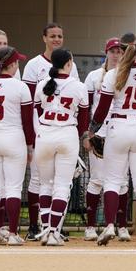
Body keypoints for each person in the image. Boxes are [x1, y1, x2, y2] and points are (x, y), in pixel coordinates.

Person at [91, 32, 136, 247]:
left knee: (113, 181)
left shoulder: (113, 74)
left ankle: (110, 225)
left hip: (119, 127)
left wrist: (92, 130)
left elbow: (103, 108)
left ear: (121, 51)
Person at [21, 22, 79, 240]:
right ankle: (37, 227)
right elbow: (29, 104)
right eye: (53, 36)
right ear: (44, 38)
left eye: (60, 36)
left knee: (50, 182)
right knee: (39, 180)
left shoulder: (70, 67)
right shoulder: (34, 65)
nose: (56, 39)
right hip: (45, 130)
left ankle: (54, 225)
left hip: (51, 131)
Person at [0, 46, 35, 246]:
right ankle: (12, 233)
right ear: (11, 64)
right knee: (13, 188)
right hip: (13, 137)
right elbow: (28, 122)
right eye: (16, 61)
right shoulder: (20, 87)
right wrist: (30, 146)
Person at [34, 49, 89, 246]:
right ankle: (53, 232)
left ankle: (46, 230)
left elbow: (38, 110)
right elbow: (83, 120)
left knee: (45, 185)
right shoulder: (78, 86)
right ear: (69, 63)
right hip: (67, 134)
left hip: (45, 134)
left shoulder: (42, 85)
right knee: (61, 186)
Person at [83, 38, 131, 242]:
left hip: (120, 130)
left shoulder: (129, 75)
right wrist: (87, 133)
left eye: (120, 51)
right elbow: (87, 107)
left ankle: (121, 226)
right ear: (106, 52)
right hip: (100, 132)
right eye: (112, 50)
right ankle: (91, 226)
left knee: (123, 181)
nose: (116, 54)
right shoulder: (94, 76)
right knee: (97, 179)